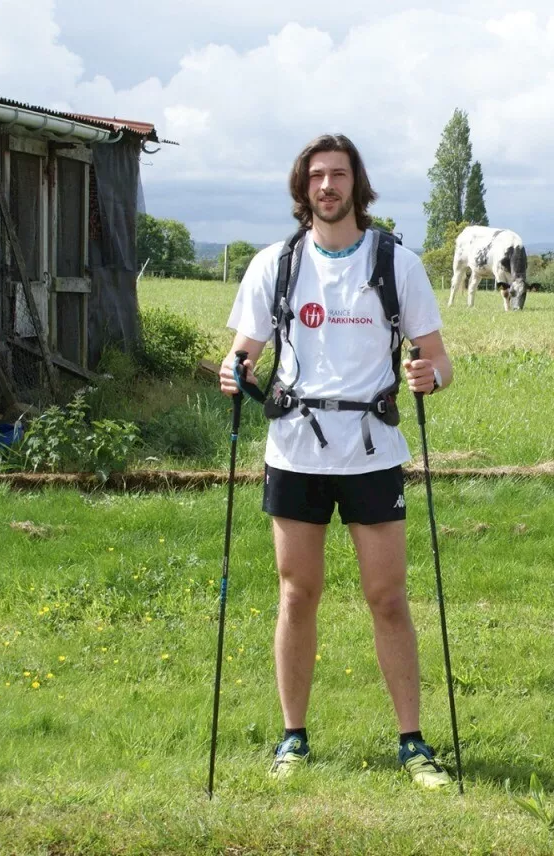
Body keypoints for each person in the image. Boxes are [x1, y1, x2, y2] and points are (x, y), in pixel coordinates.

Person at [218, 133, 454, 788]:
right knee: (298, 592)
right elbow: (244, 352)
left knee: (387, 596)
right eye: (317, 176)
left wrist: (428, 376)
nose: (328, 186)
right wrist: (234, 372)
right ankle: (292, 738)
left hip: (372, 449)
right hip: (294, 448)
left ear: (357, 185)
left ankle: (412, 743)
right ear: (303, 188)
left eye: (339, 175)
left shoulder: (396, 262)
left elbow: (440, 360)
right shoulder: (276, 265)